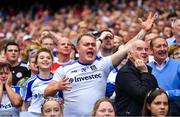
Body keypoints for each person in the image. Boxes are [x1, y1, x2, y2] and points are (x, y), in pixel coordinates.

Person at [44, 13, 156, 116]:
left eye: (93, 44)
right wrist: (57, 86)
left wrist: (144, 31)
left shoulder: (103, 64)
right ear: (78, 48)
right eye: (86, 44)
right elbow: (46, 92)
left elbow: (127, 47)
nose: (91, 47)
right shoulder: (64, 70)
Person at [115, 40, 158, 116]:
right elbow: (143, 96)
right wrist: (144, 72)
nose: (144, 52)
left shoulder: (148, 71)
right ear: (130, 54)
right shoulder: (125, 72)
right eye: (139, 49)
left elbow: (155, 96)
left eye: (146, 49)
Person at [20, 48, 62, 117]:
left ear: (52, 62)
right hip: (34, 114)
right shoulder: (30, 82)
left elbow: (61, 103)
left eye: (48, 58)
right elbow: (25, 106)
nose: (45, 60)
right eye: (41, 58)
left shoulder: (58, 80)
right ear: (36, 63)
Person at [148, 37, 180, 116]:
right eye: (159, 46)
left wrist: (167, 94)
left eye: (165, 46)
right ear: (151, 50)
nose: (162, 49)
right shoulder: (146, 68)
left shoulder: (178, 64)